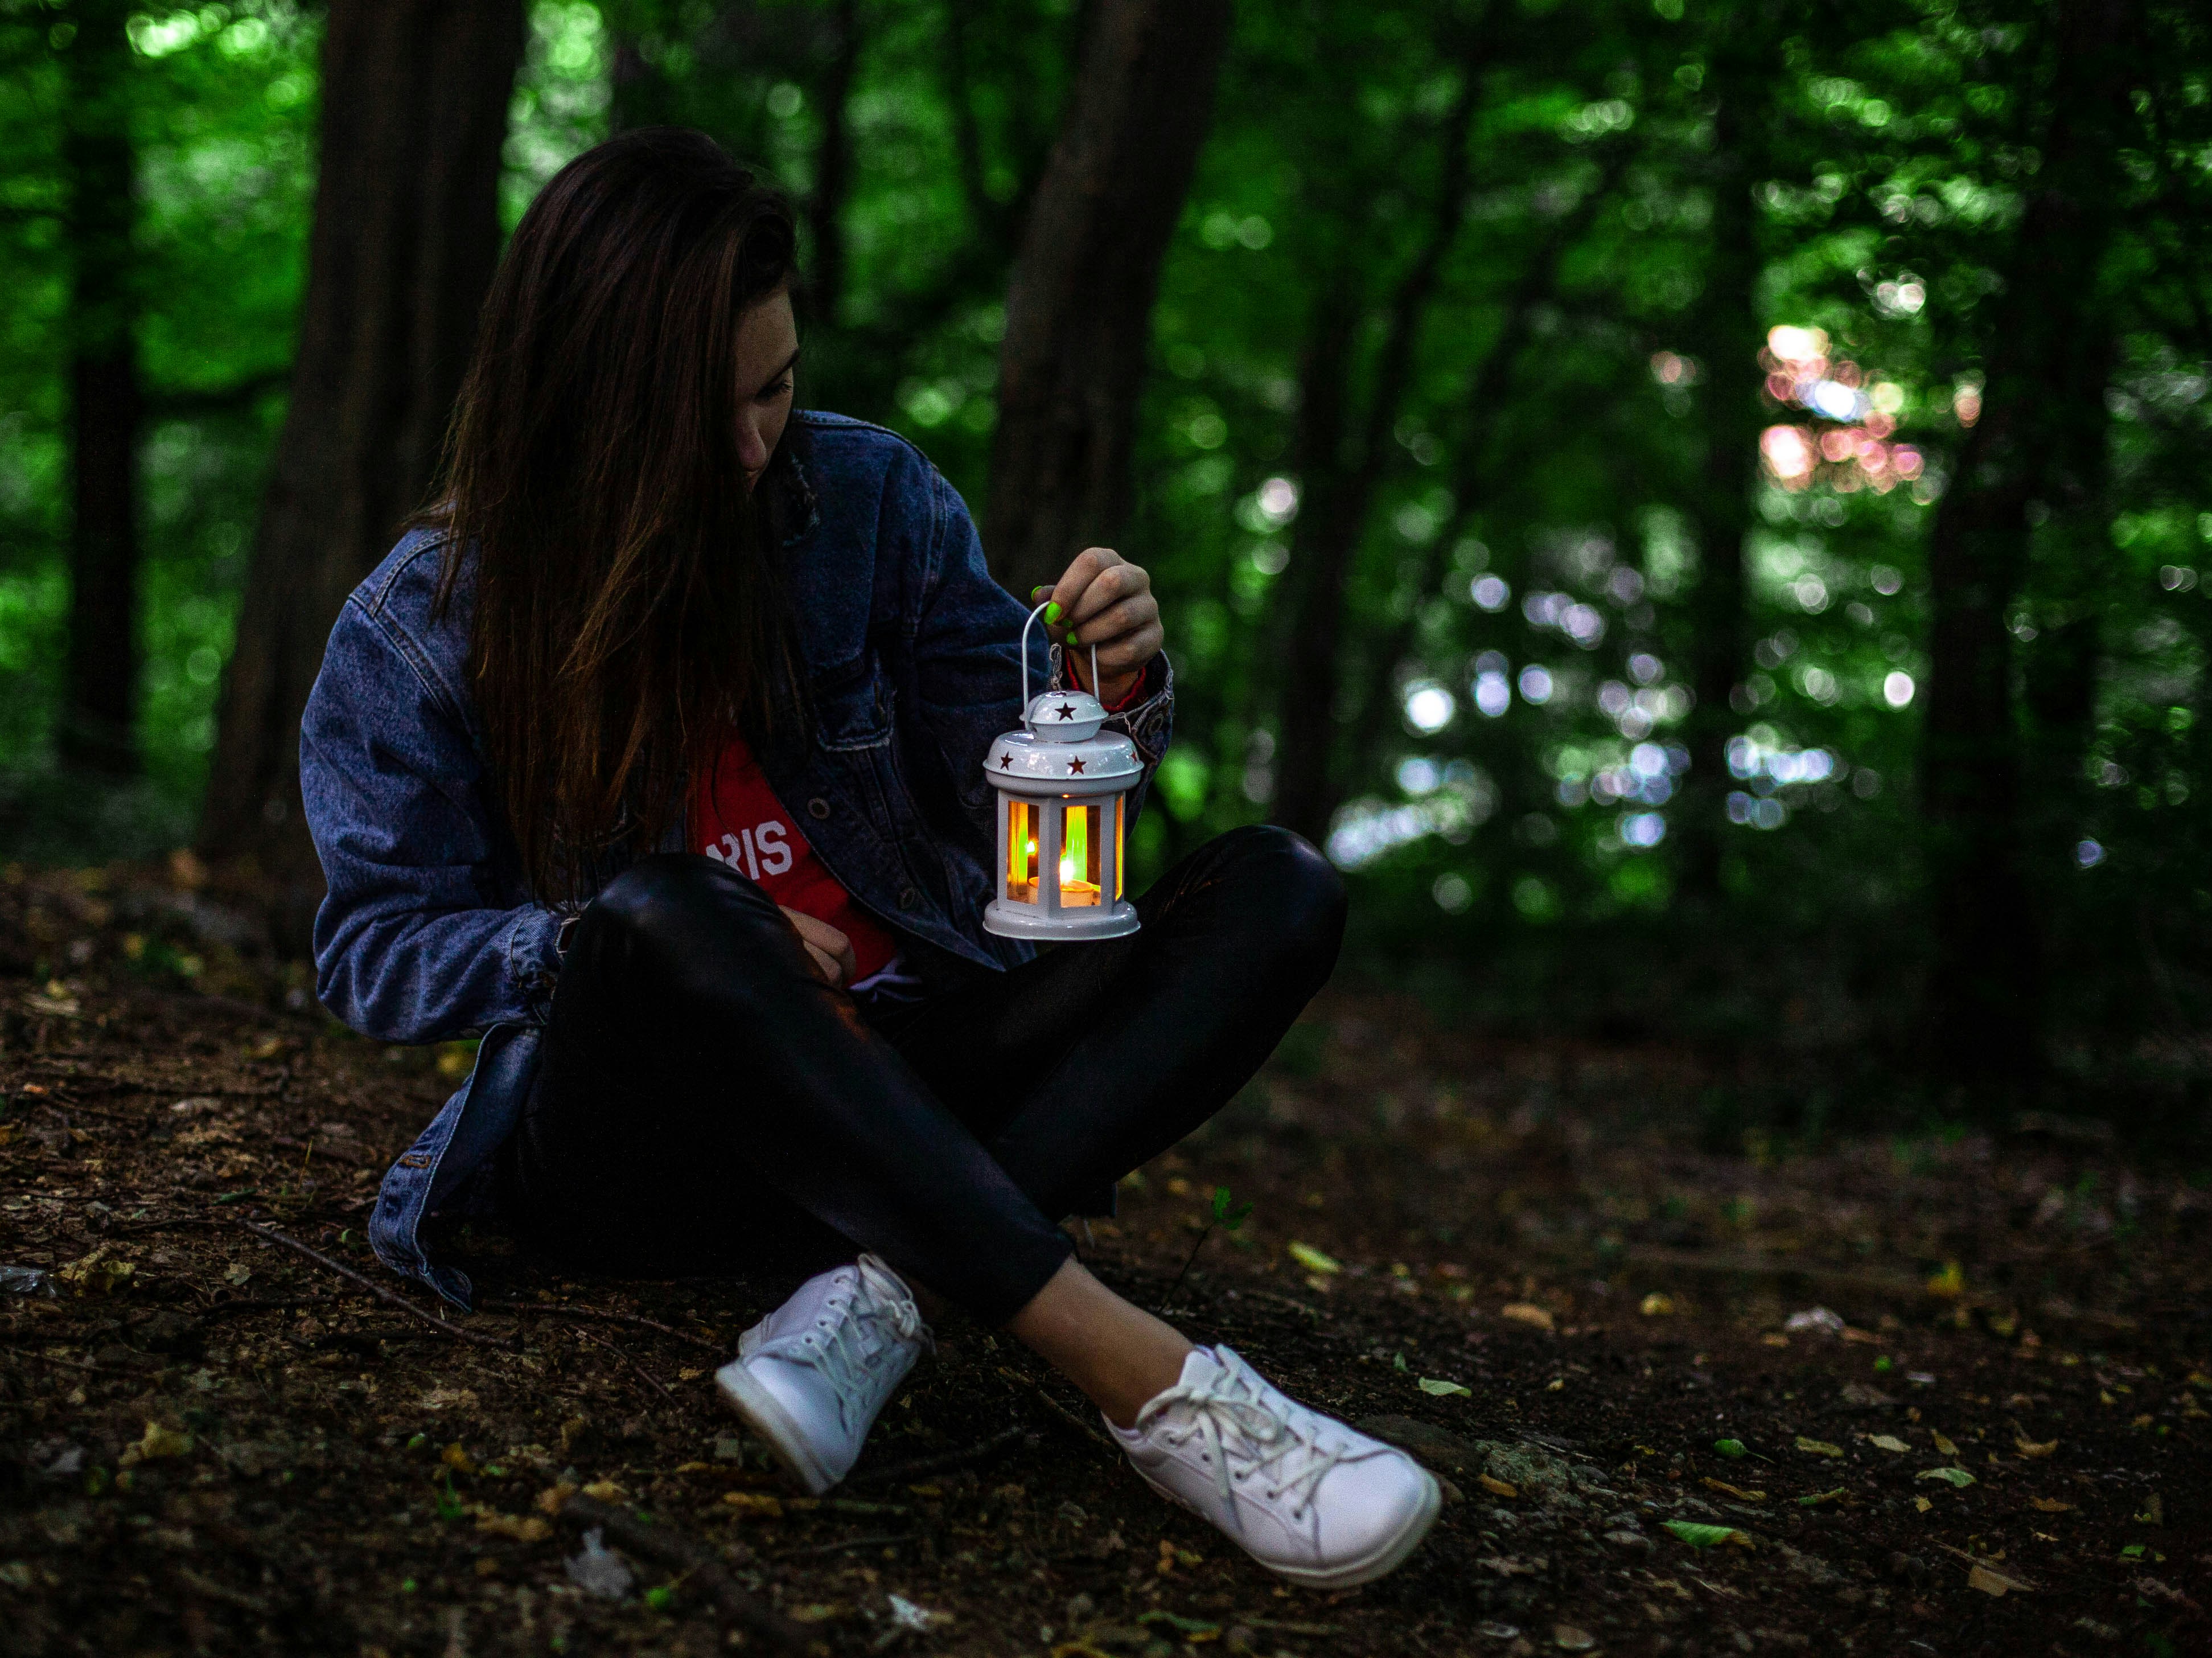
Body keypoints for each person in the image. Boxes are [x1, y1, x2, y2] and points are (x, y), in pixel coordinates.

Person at [300, 128, 1440, 1587]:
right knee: (661, 912)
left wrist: (1103, 695)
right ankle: (1162, 1392)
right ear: (582, 402)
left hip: (915, 1067)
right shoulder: (423, 623)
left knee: (1275, 884)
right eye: (696, 413)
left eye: (773, 390)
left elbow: (1009, 793)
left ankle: (879, 1293)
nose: (751, 447)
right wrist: (601, 938)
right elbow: (371, 948)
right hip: (648, 1144)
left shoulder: (871, 503)